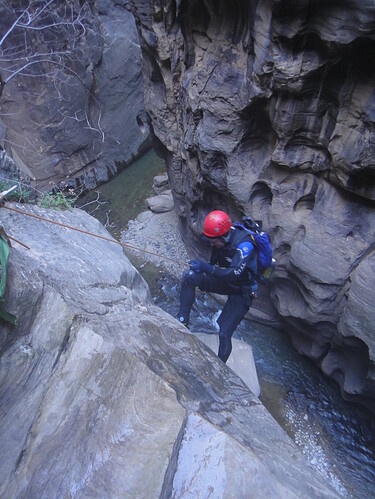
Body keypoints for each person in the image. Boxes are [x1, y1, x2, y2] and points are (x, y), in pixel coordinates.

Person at [178, 210, 258, 363]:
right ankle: (182, 321)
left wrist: (206, 268)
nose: (211, 244)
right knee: (190, 277)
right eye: (210, 241)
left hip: (242, 291)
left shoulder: (244, 245)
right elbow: (216, 266)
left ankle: (220, 367)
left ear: (224, 236)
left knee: (224, 332)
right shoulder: (219, 240)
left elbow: (234, 273)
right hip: (226, 282)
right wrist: (202, 267)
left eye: (214, 241)